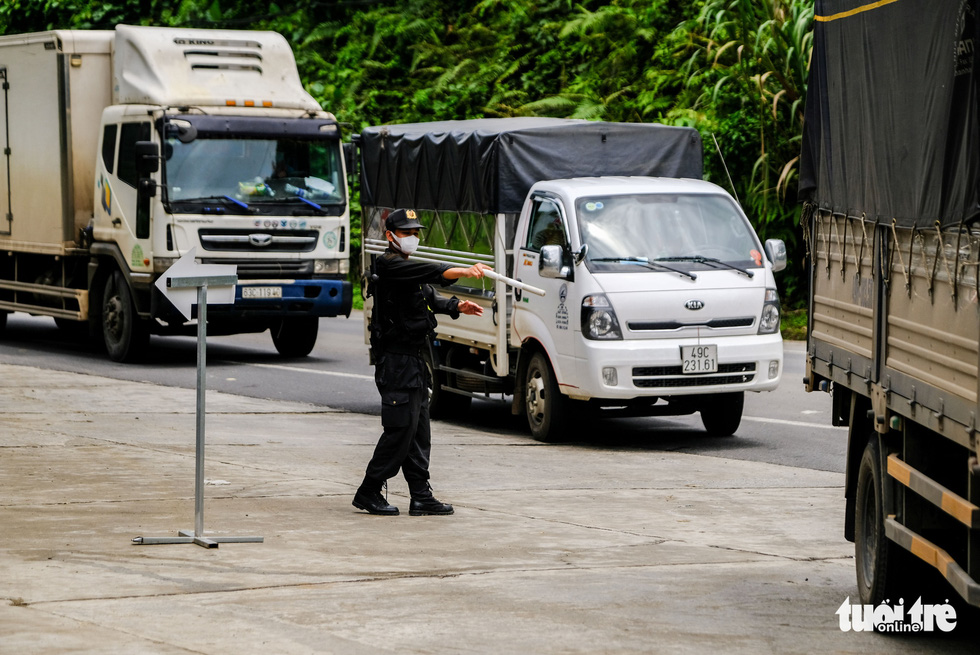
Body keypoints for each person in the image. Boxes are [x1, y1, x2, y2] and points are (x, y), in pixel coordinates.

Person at [353, 208, 491, 516]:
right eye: (406, 233)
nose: (413, 238)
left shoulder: (407, 269)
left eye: (416, 233)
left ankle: (420, 495)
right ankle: (369, 489)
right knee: (400, 430)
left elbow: (430, 298)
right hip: (396, 363)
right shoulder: (390, 267)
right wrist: (465, 271)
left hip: (414, 363)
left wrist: (458, 306)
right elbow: (433, 271)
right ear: (390, 236)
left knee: (418, 432)